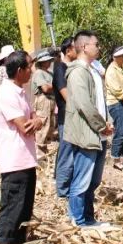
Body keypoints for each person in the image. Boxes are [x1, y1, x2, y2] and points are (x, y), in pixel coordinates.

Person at [0, 50, 44, 244]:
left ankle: (17, 241)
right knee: (12, 203)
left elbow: (33, 117)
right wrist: (37, 121)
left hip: (25, 156)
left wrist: (37, 119)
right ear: (20, 70)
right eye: (30, 66)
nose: (32, 70)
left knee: (24, 203)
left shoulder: (20, 92)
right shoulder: (7, 94)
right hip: (14, 158)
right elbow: (26, 126)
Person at [64, 31, 115, 229]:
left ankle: (88, 218)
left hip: (98, 132)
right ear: (85, 47)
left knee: (93, 181)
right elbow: (84, 104)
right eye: (96, 44)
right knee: (82, 179)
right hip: (87, 133)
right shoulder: (77, 72)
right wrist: (101, 125)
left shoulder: (93, 70)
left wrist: (107, 121)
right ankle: (78, 220)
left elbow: (100, 102)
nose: (99, 47)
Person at [53, 38, 76, 198]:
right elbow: (65, 93)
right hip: (67, 116)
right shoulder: (60, 68)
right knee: (66, 152)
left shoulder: (74, 67)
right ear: (68, 51)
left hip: (75, 115)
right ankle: (62, 189)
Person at [31, 49, 57, 163]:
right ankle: (39, 154)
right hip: (43, 99)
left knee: (50, 125)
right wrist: (55, 85)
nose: (49, 62)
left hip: (51, 100)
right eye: (47, 61)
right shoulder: (39, 73)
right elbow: (45, 88)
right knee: (43, 125)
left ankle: (44, 151)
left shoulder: (49, 73)